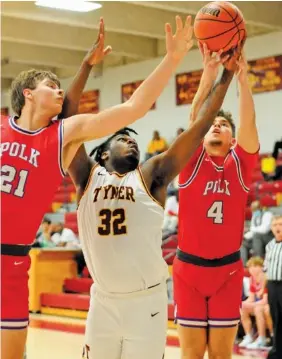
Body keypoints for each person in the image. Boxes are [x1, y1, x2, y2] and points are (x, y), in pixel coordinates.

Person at [1, 16, 193, 359]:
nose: (60, 90)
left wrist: (173, 59)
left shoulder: (61, 137)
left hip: (12, 266)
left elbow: (133, 108)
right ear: (27, 93)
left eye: (62, 85)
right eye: (51, 84)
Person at [67, 42, 237, 359]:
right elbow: (68, 120)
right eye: (122, 139)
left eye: (135, 140)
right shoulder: (87, 177)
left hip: (146, 304)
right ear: (103, 153)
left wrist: (226, 74)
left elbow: (200, 127)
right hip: (102, 301)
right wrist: (87, 65)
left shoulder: (151, 175)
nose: (132, 142)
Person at [173, 44, 260, 358]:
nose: (216, 126)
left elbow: (249, 126)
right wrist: (208, 75)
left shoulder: (241, 164)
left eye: (223, 125)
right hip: (189, 271)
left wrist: (243, 79)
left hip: (227, 272)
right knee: (192, 355)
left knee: (222, 355)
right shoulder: (191, 161)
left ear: (232, 141)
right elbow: (198, 118)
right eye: (213, 125)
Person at [239, 256, 270, 349]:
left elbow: (265, 300)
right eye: (250, 267)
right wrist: (242, 303)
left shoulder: (266, 278)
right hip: (258, 303)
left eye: (255, 266)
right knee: (242, 306)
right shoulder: (252, 279)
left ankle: (262, 338)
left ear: (261, 267)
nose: (252, 269)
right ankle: (248, 336)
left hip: (266, 304)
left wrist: (252, 304)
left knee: (258, 309)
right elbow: (251, 298)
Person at [264, 215, 282, 359]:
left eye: (280, 224)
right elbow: (266, 269)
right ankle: (277, 350)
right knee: (276, 319)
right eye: (275, 224)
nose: (277, 227)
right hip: (272, 286)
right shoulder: (269, 245)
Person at [241, 200, 273, 264]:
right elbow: (252, 231)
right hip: (257, 239)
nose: (254, 212)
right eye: (253, 210)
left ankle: (258, 261)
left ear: (260, 208)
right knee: (243, 243)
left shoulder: (268, 214)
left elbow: (264, 230)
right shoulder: (255, 216)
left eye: (256, 209)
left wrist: (252, 229)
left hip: (269, 238)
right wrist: (244, 237)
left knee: (256, 236)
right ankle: (244, 265)